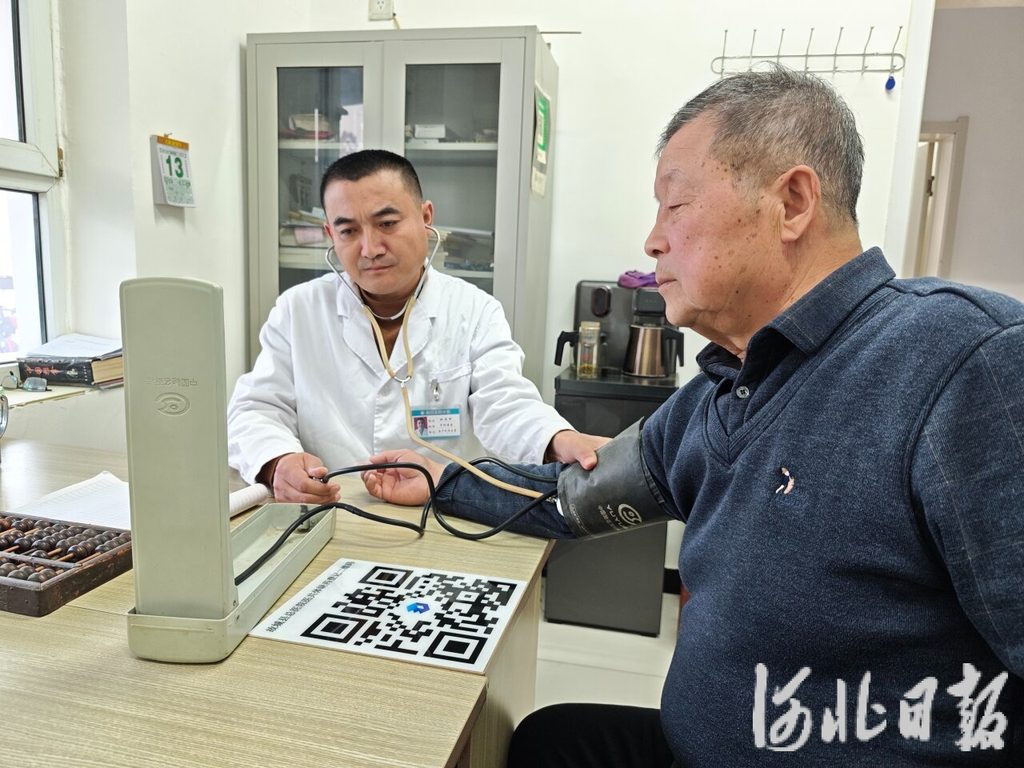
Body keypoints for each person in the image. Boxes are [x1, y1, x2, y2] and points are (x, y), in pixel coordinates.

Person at [361, 68, 1024, 766]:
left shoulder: (966, 363)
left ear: (792, 202)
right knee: (545, 742)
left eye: (674, 206)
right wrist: (441, 481)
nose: (652, 241)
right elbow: (575, 494)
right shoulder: (722, 392)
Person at [228, 149, 605, 504]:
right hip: (330, 513)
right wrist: (278, 461)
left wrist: (556, 437)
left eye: (387, 223)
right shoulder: (298, 310)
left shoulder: (475, 310)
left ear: (426, 218)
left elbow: (505, 402)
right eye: (348, 231)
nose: (370, 248)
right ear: (330, 235)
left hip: (442, 514)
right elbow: (256, 409)